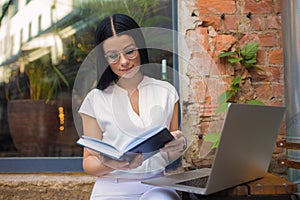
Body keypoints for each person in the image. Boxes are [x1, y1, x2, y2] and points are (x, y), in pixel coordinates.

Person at [78, 13, 186, 200]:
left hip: (156, 186)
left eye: (130, 51)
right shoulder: (95, 100)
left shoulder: (166, 92)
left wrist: (178, 146)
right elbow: (88, 162)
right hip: (111, 188)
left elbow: (169, 151)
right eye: (113, 56)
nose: (124, 62)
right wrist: (115, 164)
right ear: (104, 59)